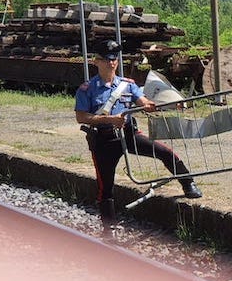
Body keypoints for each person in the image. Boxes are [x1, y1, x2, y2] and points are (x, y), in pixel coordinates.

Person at [75, 39, 202, 227]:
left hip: (129, 134)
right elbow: (82, 117)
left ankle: (188, 183)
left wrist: (157, 105)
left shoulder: (127, 84)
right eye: (106, 59)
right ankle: (108, 228)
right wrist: (109, 120)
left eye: (114, 59)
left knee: (164, 152)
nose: (111, 63)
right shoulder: (87, 89)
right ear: (97, 61)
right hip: (104, 140)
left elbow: (143, 101)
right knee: (105, 186)